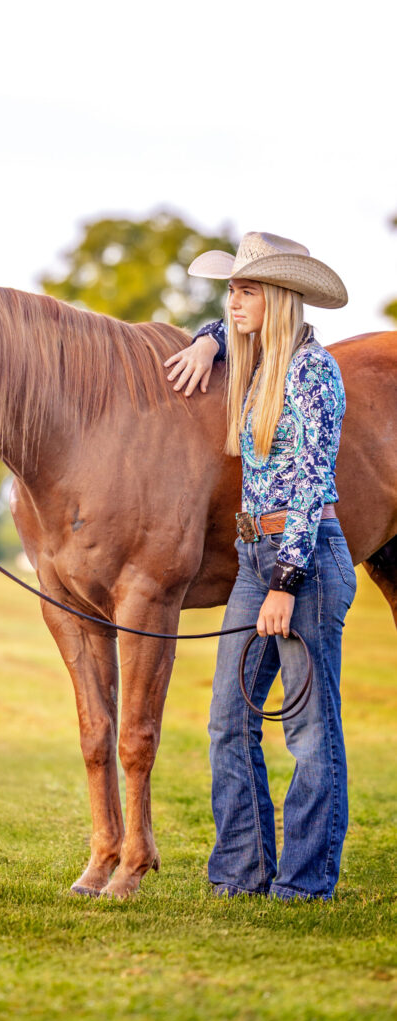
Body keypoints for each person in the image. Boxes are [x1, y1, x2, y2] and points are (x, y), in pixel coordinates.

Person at [165, 231, 357, 900]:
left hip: (304, 560)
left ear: (277, 296)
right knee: (228, 720)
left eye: (246, 290)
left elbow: (309, 483)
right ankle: (241, 873)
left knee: (308, 731)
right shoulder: (258, 359)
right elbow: (224, 326)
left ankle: (304, 882)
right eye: (231, 290)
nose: (233, 301)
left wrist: (285, 582)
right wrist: (207, 339)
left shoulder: (311, 373)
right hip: (255, 559)